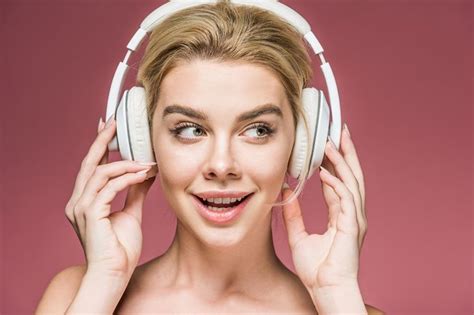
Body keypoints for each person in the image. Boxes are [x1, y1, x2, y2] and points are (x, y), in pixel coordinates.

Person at [35, 1, 384, 314]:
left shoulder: (346, 308)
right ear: (140, 138)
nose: (221, 166)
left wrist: (338, 295)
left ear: (301, 145)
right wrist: (102, 285)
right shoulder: (75, 297)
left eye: (258, 130)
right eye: (190, 130)